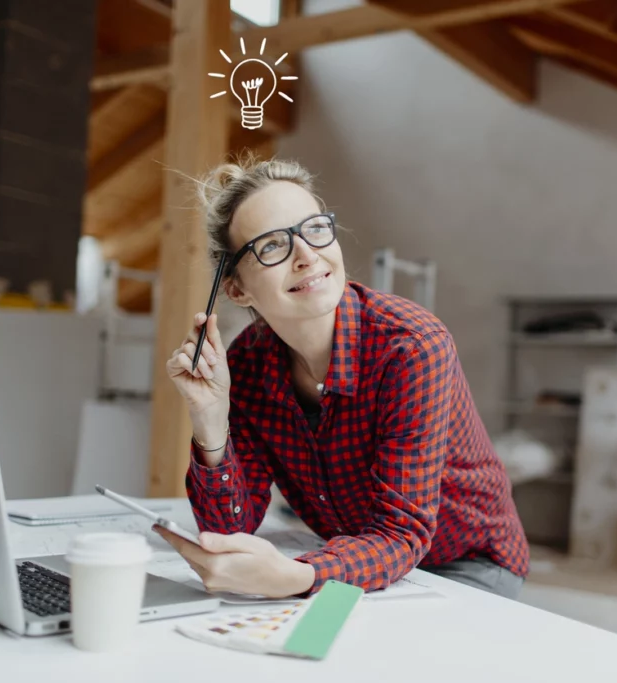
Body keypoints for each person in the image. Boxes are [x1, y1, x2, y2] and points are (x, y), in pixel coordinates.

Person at [155, 154, 529, 600]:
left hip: (466, 563)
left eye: (314, 229)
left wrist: (296, 577)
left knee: (347, 642)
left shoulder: (411, 346)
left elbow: (401, 533)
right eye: (272, 246)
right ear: (237, 289)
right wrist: (211, 420)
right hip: (356, 561)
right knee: (292, 640)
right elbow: (228, 531)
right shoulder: (248, 365)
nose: (306, 255)